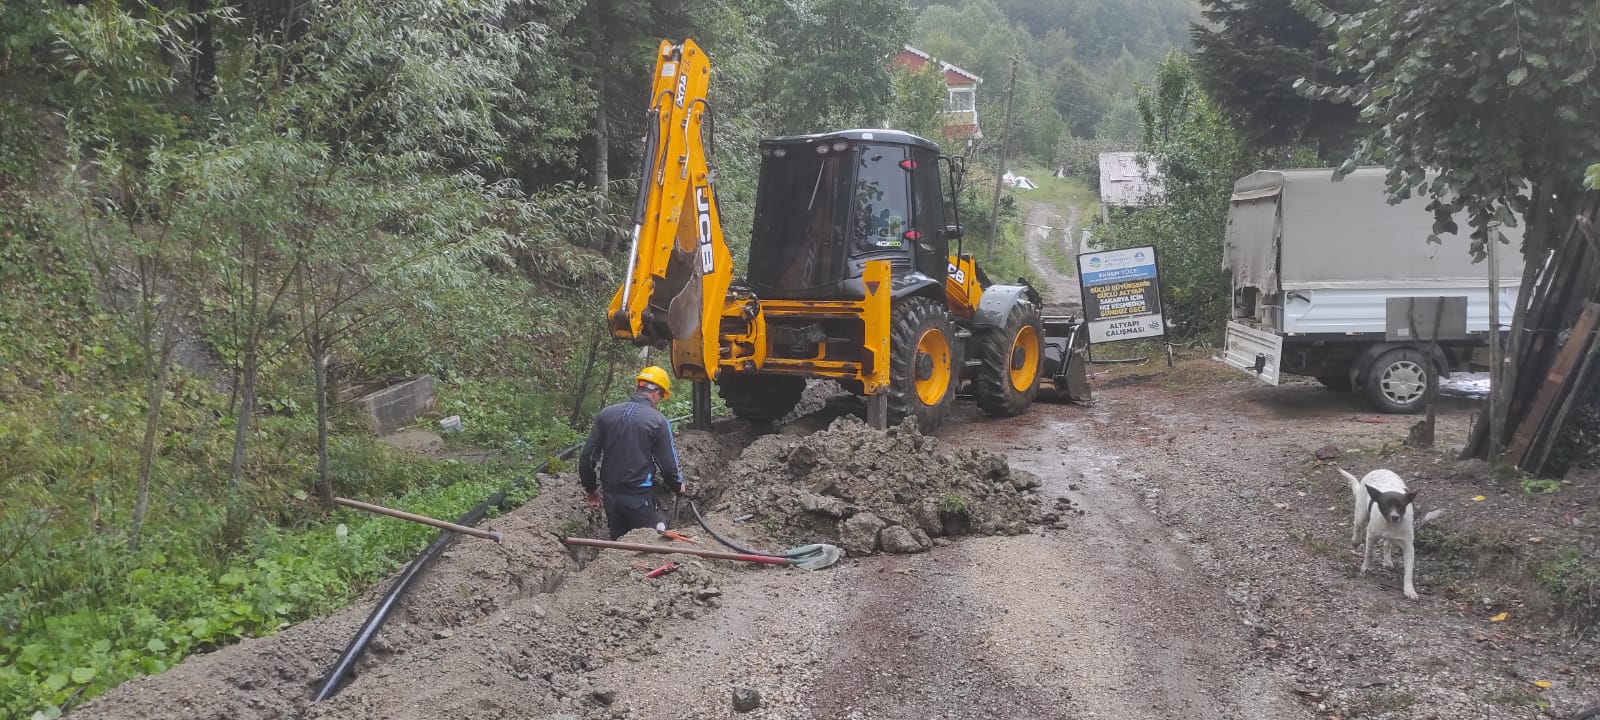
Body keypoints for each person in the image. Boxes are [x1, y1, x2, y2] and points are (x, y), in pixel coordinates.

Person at [578, 366, 687, 540]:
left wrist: (591, 489)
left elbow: (587, 458)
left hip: (610, 497)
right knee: (658, 540)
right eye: (661, 397)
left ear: (639, 387)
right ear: (657, 392)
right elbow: (667, 464)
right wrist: (677, 485)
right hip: (638, 497)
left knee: (619, 544)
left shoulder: (606, 414)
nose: (659, 401)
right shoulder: (658, 421)